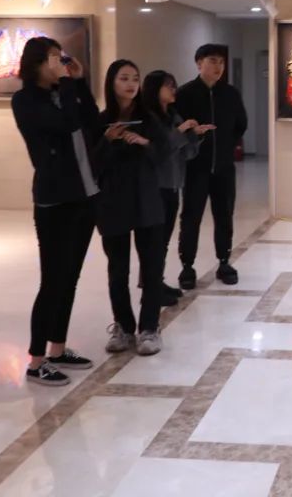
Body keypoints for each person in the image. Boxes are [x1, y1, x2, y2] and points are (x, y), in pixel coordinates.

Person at [11, 38, 99, 387]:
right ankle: (36, 361)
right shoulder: (25, 100)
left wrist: (80, 83)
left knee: (70, 277)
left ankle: (58, 349)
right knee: (52, 280)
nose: (61, 61)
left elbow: (91, 121)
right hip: (55, 199)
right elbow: (65, 125)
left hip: (85, 193)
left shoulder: (65, 92)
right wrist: (67, 84)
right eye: (53, 56)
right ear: (36, 62)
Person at [95, 60, 168, 356]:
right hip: (113, 203)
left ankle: (149, 328)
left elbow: (163, 156)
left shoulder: (149, 119)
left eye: (135, 78)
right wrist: (107, 140)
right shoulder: (101, 121)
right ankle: (123, 327)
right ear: (112, 83)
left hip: (146, 202)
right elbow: (92, 163)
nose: (131, 84)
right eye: (124, 78)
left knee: (152, 269)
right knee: (117, 270)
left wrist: (144, 143)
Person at [176, 44, 247, 288]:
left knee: (224, 214)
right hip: (195, 167)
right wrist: (193, 136)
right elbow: (177, 129)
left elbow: (241, 125)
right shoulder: (184, 94)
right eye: (213, 61)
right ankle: (187, 266)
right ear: (199, 63)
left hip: (224, 167)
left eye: (221, 62)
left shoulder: (230, 94)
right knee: (191, 216)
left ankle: (224, 261)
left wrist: (226, 146)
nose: (219, 67)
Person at [141, 70, 211, 305]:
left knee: (163, 240)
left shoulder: (174, 116)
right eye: (168, 85)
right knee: (154, 242)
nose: (173, 90)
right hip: (155, 187)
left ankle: (157, 282)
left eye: (173, 85)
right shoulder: (149, 119)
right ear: (155, 89)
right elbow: (158, 151)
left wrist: (195, 136)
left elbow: (187, 154)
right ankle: (150, 287)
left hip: (173, 185)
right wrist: (179, 132)